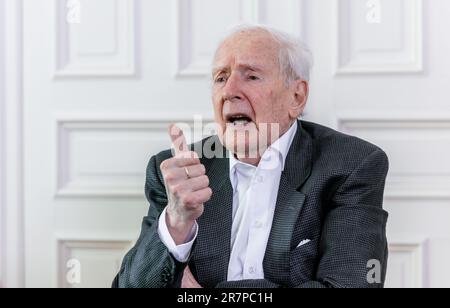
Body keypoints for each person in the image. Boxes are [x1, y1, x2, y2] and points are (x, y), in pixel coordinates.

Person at [113, 25, 389, 288]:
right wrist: (176, 221)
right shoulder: (180, 171)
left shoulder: (352, 165)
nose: (229, 91)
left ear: (296, 96)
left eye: (251, 76)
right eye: (221, 77)